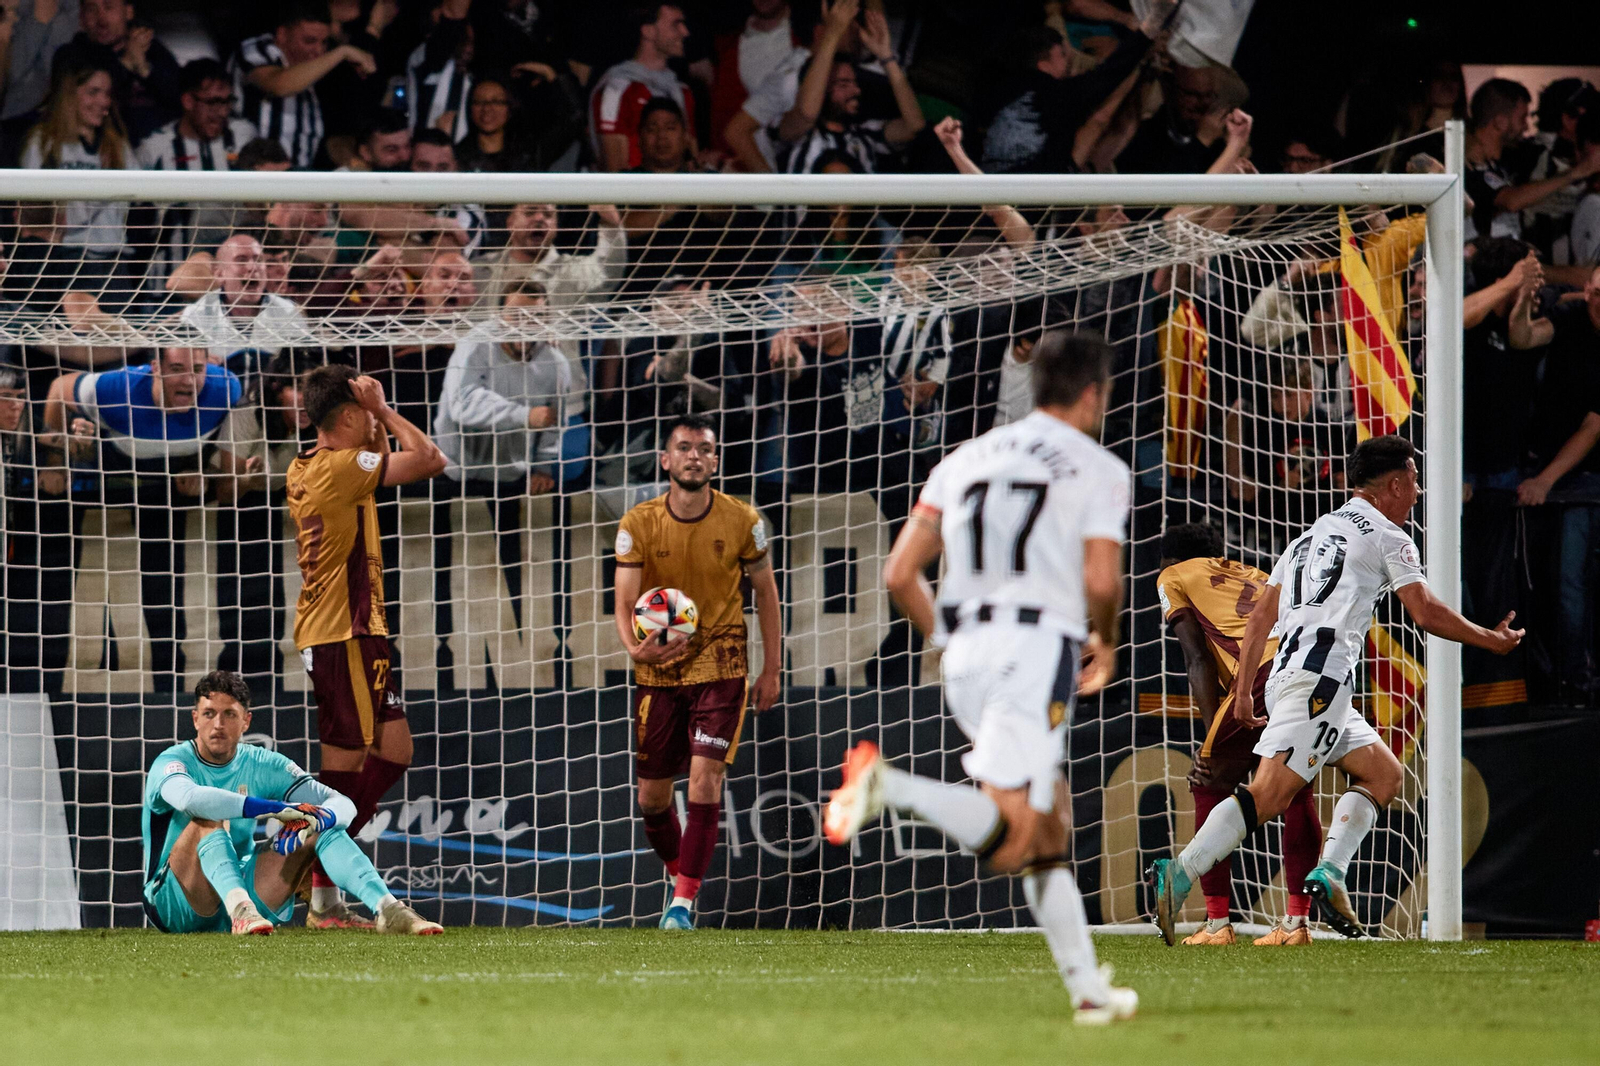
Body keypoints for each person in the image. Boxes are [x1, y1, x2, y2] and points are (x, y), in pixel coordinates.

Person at [823, 330, 1137, 1024]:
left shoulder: (966, 457)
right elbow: (1100, 578)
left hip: (965, 653)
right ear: (1092, 394)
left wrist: (946, 638)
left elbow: (900, 573)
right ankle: (890, 787)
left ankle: (1088, 990)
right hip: (1034, 652)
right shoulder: (1097, 467)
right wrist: (1107, 643)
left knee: (1051, 824)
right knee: (1019, 839)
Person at [1148, 435, 1525, 943]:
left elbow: (1263, 614)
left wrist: (1241, 691)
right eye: (1413, 482)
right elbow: (1425, 611)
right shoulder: (1390, 537)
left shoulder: (1307, 537)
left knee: (1384, 774)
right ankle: (1180, 873)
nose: (1416, 493)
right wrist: (1489, 639)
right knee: (1268, 796)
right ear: (1393, 484)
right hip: (1319, 680)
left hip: (1298, 678)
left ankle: (1328, 873)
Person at [286, 364, 446, 928]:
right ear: (349, 416)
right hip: (342, 636)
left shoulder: (309, 465)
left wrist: (368, 417)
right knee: (343, 774)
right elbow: (430, 459)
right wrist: (384, 411)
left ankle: (319, 882)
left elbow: (378, 455)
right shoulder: (339, 468)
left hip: (358, 633)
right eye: (362, 412)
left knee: (395, 750)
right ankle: (309, 878)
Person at [611, 413, 782, 929]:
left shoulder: (742, 521)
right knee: (652, 800)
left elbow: (767, 596)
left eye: (703, 449)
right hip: (659, 668)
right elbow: (623, 602)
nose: (693, 456)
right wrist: (634, 649)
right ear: (665, 460)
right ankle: (677, 872)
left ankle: (682, 905)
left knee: (705, 782)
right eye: (683, 448)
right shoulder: (638, 523)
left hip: (721, 661)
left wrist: (771, 668)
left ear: (715, 460)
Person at [142, 670, 442, 935]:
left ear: (246, 721)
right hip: (175, 904)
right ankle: (242, 912)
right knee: (206, 818)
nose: (218, 724)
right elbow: (189, 797)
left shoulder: (263, 763)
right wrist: (273, 808)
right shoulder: (172, 762)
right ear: (195, 719)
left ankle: (389, 910)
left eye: (229, 714)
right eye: (208, 713)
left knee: (319, 823)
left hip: (245, 891)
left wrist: (320, 818)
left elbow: (342, 803)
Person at [1155, 522, 1323, 946]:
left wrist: (1213, 730)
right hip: (1304, 670)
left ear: (1169, 560)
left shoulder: (1173, 576)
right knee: (1295, 792)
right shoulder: (1256, 573)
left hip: (1259, 675)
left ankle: (1216, 924)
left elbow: (1197, 659)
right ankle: (1296, 924)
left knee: (1209, 781)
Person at [44, 344, 242, 690]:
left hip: (171, 482)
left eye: (197, 369)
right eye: (178, 368)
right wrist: (59, 455)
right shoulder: (118, 389)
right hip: (114, 466)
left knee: (166, 596)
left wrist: (203, 469)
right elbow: (60, 388)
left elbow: (229, 441)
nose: (190, 380)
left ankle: (172, 692)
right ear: (155, 369)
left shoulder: (225, 388)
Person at [432, 281, 566, 644]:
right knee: (446, 570)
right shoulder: (474, 346)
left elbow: (555, 420)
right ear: (499, 315)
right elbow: (463, 404)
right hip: (455, 470)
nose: (524, 323)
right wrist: (523, 416)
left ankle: (518, 645)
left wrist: (543, 464)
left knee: (511, 570)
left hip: (509, 474)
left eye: (535, 316)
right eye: (516, 315)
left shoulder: (555, 363)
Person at [1515, 263, 1600, 697]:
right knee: (1551, 581)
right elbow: (1524, 337)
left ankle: (1575, 676)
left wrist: (1545, 480)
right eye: (1596, 292)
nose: (1598, 301)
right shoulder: (1568, 320)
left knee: (1573, 581)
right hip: (1545, 466)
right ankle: (1559, 675)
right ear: (1587, 290)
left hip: (1582, 478)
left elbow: (1594, 424)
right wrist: (1522, 298)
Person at [20, 60, 135, 305]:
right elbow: (32, 208)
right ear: (70, 95)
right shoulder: (44, 142)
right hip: (63, 262)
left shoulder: (118, 146)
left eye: (107, 94)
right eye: (93, 92)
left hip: (113, 266)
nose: (103, 102)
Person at [138, 59, 259, 278]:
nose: (222, 112)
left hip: (229, 283)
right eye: (212, 102)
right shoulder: (155, 148)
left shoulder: (243, 137)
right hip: (168, 281)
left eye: (226, 102)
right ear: (188, 101)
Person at [773, 0, 923, 177]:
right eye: (844, 84)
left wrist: (886, 56)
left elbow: (915, 126)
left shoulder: (865, 133)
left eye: (854, 83)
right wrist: (832, 34)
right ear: (822, 89)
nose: (856, 91)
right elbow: (806, 113)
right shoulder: (795, 133)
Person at [230, 0, 377, 169]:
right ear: (282, 34)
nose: (318, 51)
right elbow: (279, 85)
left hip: (301, 173)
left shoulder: (316, 67)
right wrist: (343, 51)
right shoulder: (259, 49)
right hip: (254, 172)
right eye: (309, 41)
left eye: (324, 42)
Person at [1465, 78, 1600, 249]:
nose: (1527, 127)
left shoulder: (1497, 165)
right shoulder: (1469, 165)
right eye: (1522, 118)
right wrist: (1580, 171)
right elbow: (1511, 201)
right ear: (1500, 122)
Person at [52, 0, 180, 142]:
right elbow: (70, 106)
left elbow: (182, 100)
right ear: (81, 18)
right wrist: (126, 64)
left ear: (128, 12)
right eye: (91, 10)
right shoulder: (70, 55)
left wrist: (144, 69)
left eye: (109, 7)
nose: (101, 19)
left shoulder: (151, 48)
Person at [589, 3, 695, 172]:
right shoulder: (617, 89)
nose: (685, 32)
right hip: (635, 195)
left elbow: (690, 161)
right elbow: (614, 173)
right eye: (675, 24)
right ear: (648, 31)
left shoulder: (681, 92)